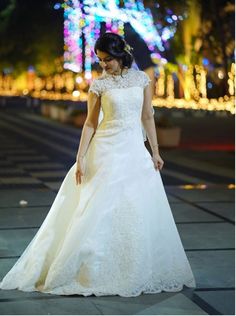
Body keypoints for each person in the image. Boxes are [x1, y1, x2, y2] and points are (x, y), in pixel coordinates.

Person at [0, 32, 196, 297]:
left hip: (134, 151)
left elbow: (147, 115)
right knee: (98, 208)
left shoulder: (141, 79)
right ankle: (93, 268)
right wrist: (80, 158)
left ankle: (134, 266)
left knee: (137, 206)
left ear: (120, 55)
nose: (104, 65)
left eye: (108, 60)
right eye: (101, 60)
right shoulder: (99, 85)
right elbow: (91, 123)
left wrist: (155, 151)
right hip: (105, 149)